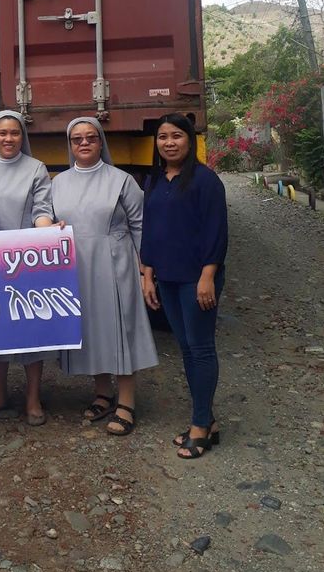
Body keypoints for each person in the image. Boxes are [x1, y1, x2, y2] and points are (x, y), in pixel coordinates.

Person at [52, 117, 157, 436]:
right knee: (91, 328)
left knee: (120, 328)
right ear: (70, 145)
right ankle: (103, 392)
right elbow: (45, 218)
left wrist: (146, 270)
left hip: (115, 261)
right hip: (76, 264)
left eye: (90, 138)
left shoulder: (121, 179)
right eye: (77, 139)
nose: (84, 143)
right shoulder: (58, 182)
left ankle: (126, 401)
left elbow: (140, 225)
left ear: (101, 143)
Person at [140, 113, 228, 460]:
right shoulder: (155, 180)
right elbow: (149, 230)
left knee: (202, 348)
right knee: (187, 349)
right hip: (168, 278)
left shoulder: (206, 181)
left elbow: (216, 233)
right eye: (163, 137)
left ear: (190, 140)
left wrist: (208, 276)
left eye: (177, 136)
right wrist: (147, 274)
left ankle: (200, 426)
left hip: (197, 278)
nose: (169, 143)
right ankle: (206, 420)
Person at [0, 110, 55, 425]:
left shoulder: (36, 168)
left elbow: (42, 209)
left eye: (14, 133)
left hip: (26, 258)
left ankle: (33, 398)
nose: (8, 139)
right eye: (2, 133)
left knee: (30, 327)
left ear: (23, 136)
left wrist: (47, 229)